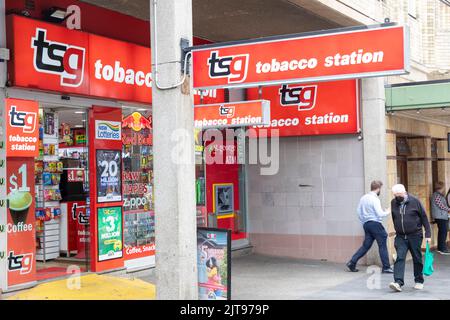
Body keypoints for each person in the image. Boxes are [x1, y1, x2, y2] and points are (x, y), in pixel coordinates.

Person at [389, 184, 432, 292]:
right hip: (400, 236)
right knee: (400, 257)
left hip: (415, 235)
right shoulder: (393, 202)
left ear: (404, 192)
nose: (397, 197)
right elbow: (394, 218)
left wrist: (428, 234)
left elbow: (424, 218)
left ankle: (419, 281)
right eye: (395, 195)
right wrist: (397, 231)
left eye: (399, 195)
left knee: (417, 258)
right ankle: (398, 282)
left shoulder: (415, 201)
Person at [347, 180, 393, 273]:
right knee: (382, 245)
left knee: (366, 246)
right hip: (375, 224)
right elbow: (380, 214)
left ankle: (352, 262)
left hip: (367, 224)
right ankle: (386, 267)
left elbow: (358, 212)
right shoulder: (375, 199)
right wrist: (388, 211)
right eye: (381, 189)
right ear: (378, 188)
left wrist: (364, 222)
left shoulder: (363, 198)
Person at [431, 181, 450, 255]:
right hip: (440, 216)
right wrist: (449, 209)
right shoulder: (437, 195)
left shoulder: (439, 195)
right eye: (443, 187)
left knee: (442, 232)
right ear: (441, 187)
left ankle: (441, 247)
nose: (444, 188)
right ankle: (442, 248)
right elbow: (441, 206)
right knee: (443, 232)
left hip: (441, 216)